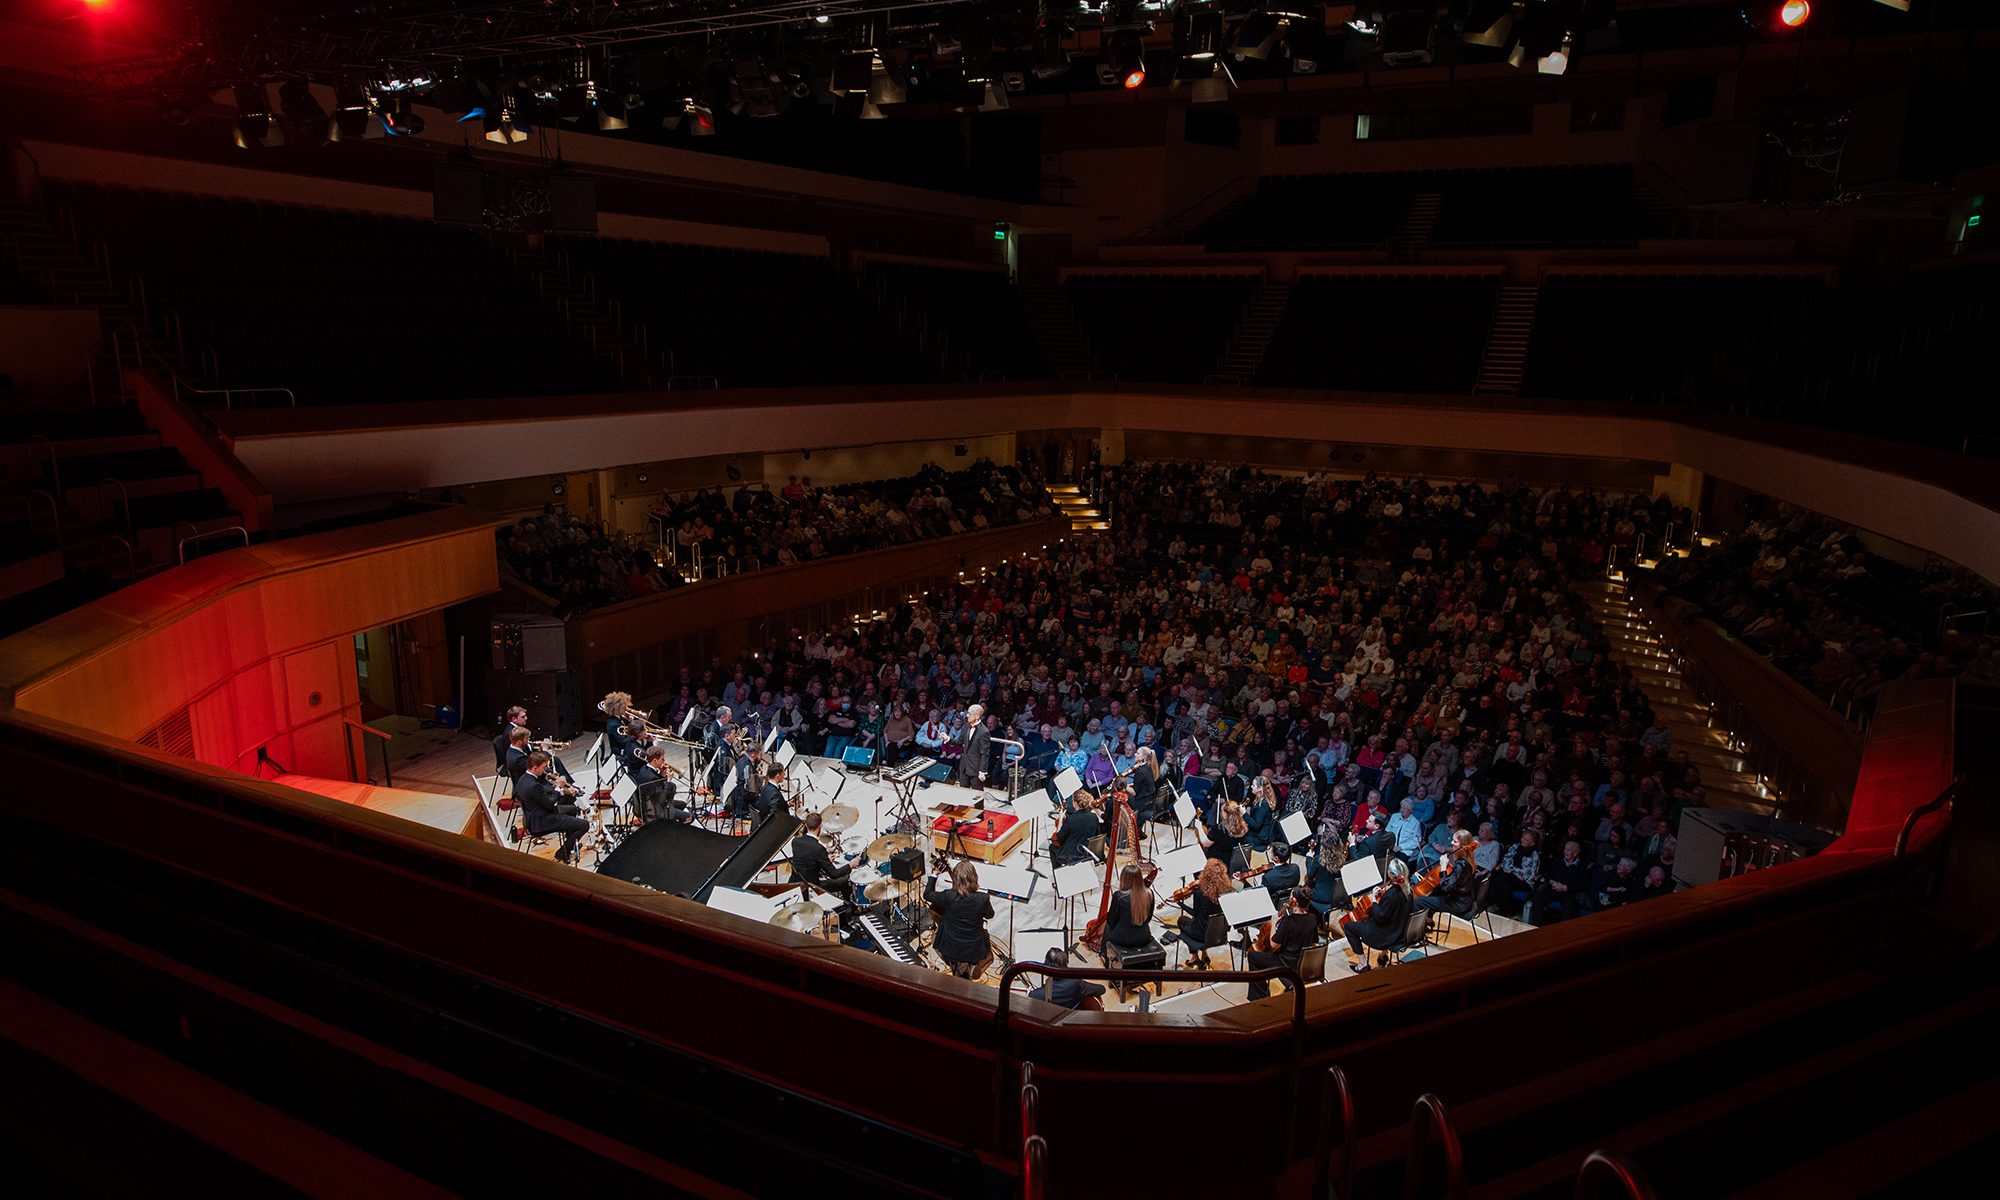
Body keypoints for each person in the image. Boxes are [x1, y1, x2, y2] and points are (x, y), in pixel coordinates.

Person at [1246, 887, 1320, 1000]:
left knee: (1252, 956)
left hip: (1285, 962)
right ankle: (1288, 982)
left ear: (1294, 901)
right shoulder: (1312, 918)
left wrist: (1274, 921)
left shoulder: (1288, 921)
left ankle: (1258, 996)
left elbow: (1273, 945)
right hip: (1303, 962)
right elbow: (1314, 943)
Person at [515, 750, 588, 865]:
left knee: (572, 809)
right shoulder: (533, 785)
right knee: (584, 825)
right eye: (543, 767)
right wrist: (559, 787)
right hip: (542, 820)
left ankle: (570, 843)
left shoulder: (524, 778)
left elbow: (543, 793)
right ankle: (563, 852)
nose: (544, 770)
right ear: (535, 768)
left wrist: (564, 792)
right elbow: (549, 803)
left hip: (536, 814)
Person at [926, 859, 995, 980]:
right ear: (974, 877)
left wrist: (935, 874)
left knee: (937, 934)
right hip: (974, 949)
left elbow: (927, 895)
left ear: (956, 879)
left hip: (950, 947)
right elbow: (990, 915)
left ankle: (956, 967)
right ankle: (969, 966)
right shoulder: (982, 898)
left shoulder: (948, 896)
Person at [1344, 858, 1413, 972]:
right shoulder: (1408, 891)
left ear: (1390, 874)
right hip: (1400, 933)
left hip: (1384, 937)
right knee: (1370, 920)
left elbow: (1380, 917)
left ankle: (1362, 964)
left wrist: (1374, 901)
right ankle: (1383, 955)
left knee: (1349, 927)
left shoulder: (1391, 895)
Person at [1174, 859, 1231, 967]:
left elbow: (1194, 913)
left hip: (1201, 935)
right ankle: (1204, 953)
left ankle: (1194, 956)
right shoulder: (1227, 890)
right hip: (1219, 934)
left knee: (1182, 920)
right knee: (1202, 920)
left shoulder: (1200, 893)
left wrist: (1180, 904)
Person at [789, 811, 854, 900]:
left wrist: (824, 860)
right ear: (820, 826)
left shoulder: (796, 841)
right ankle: (848, 909)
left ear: (806, 826)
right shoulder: (819, 848)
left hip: (794, 882)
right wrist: (851, 865)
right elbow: (834, 874)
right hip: (812, 886)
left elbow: (807, 861)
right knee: (845, 880)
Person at [1416, 830, 1479, 918]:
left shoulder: (1461, 864)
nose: (1451, 843)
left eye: (1455, 841)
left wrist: (1443, 867)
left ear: (1464, 846)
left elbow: (1446, 887)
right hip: (1463, 900)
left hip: (1458, 903)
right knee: (1434, 894)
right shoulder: (1469, 861)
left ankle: (1418, 926)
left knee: (1419, 901)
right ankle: (1428, 921)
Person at [1532, 839, 1592, 925]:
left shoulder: (1582, 867)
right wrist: (1552, 882)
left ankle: (1563, 930)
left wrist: (1566, 888)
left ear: (1575, 853)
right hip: (1554, 888)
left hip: (1568, 892)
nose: (1565, 852)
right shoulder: (1558, 861)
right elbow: (1547, 873)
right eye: (1565, 849)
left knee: (1570, 904)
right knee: (1539, 894)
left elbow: (1583, 885)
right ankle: (1535, 924)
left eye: (1568, 850)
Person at [1026, 947, 1105, 1010]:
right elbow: (1101, 989)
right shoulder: (1075, 983)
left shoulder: (1035, 995)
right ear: (1066, 964)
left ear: (1045, 966)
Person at [1101, 863, 1156, 953]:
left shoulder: (1119, 896)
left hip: (1122, 939)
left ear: (1124, 878)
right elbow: (1148, 918)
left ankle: (1104, 953)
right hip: (1144, 937)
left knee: (1107, 925)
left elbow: (1111, 921)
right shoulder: (1150, 893)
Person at [1050, 789, 1102, 867]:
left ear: (1075, 803)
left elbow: (1059, 838)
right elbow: (1096, 835)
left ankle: (1057, 872)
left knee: (1052, 847)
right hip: (1088, 853)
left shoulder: (1071, 819)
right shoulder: (1093, 817)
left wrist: (1060, 820)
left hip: (1072, 856)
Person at [1304, 837, 1348, 918]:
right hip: (1336, 898)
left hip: (1319, 897)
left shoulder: (1319, 859)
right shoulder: (1343, 860)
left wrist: (1309, 857)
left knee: (1302, 891)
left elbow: (1310, 875)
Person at [1200, 800, 1250, 869]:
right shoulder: (1243, 827)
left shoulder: (1219, 829)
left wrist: (1199, 827)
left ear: (1225, 815)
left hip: (1216, 863)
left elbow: (1205, 843)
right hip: (1230, 862)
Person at [957, 704, 991, 788]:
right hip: (964, 766)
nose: (967, 715)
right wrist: (948, 739)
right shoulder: (965, 727)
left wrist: (982, 771)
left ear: (977, 716)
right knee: (962, 792)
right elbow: (960, 741)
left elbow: (985, 753)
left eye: (969, 713)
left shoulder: (984, 732)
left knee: (977, 795)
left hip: (975, 769)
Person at [1244, 777, 1278, 853]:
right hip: (1258, 835)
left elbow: (1256, 825)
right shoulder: (1261, 800)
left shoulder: (1263, 805)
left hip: (1259, 838)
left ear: (1260, 788)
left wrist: (1244, 814)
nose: (1251, 786)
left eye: (1253, 785)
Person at [1128, 745, 1159, 826]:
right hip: (1149, 802)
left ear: (1144, 757)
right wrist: (1131, 784)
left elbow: (1134, 792)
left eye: (1137, 753)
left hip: (1141, 805)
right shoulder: (1148, 768)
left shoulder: (1140, 771)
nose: (1135, 754)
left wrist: (1124, 786)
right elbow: (1144, 783)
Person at [492, 705, 529, 770]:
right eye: (523, 717)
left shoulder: (516, 729)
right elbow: (518, 752)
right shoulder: (511, 733)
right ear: (514, 719)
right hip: (516, 765)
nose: (526, 718)